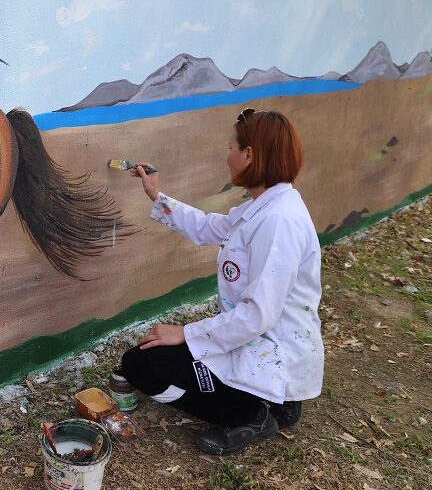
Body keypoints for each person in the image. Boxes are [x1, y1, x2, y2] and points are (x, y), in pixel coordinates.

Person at [118, 107, 323, 456]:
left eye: (231, 146)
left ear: (249, 155)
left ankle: (251, 414)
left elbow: (258, 316)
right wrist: (157, 195)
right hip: (255, 340)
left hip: (266, 346)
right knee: (157, 355)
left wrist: (186, 333)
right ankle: (273, 399)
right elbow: (210, 227)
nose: (227, 155)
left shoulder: (278, 222)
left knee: (142, 365)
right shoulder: (266, 206)